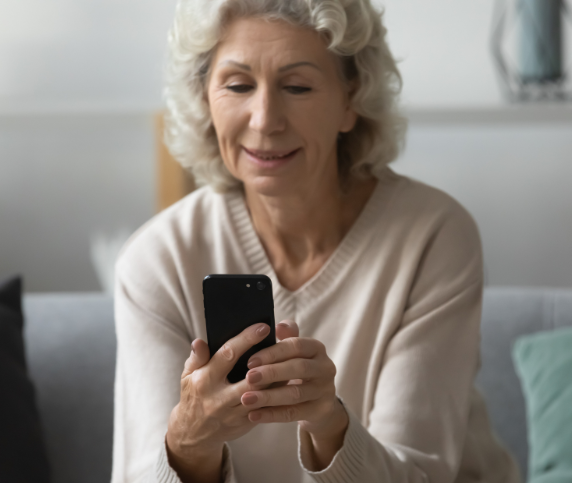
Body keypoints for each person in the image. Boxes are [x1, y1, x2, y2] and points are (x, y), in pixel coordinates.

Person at [112, 0, 521, 482]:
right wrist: (187, 441)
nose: (265, 120)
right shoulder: (157, 260)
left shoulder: (431, 236)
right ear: (204, 97)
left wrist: (329, 424)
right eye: (238, 85)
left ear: (352, 99)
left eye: (297, 86)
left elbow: (419, 473)